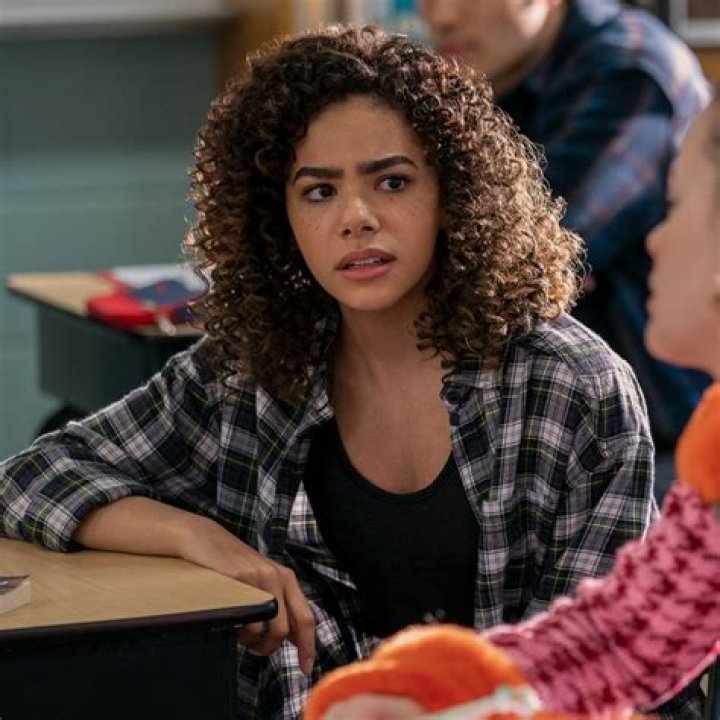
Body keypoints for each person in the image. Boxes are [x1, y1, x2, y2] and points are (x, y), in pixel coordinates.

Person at [1, 27, 662, 719]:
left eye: (392, 182)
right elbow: (29, 479)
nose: (356, 218)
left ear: (454, 195)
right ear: (278, 219)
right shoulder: (249, 372)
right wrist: (199, 539)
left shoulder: (572, 386)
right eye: (318, 191)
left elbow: (595, 674)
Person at [306, 91, 720, 720]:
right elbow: (620, 641)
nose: (655, 240)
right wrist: (423, 694)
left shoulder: (577, 377)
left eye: (676, 206)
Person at [418, 0, 713, 500]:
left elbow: (526, 262)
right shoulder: (487, 72)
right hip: (549, 428)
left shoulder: (629, 72)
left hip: (664, 441)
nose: (442, 17)